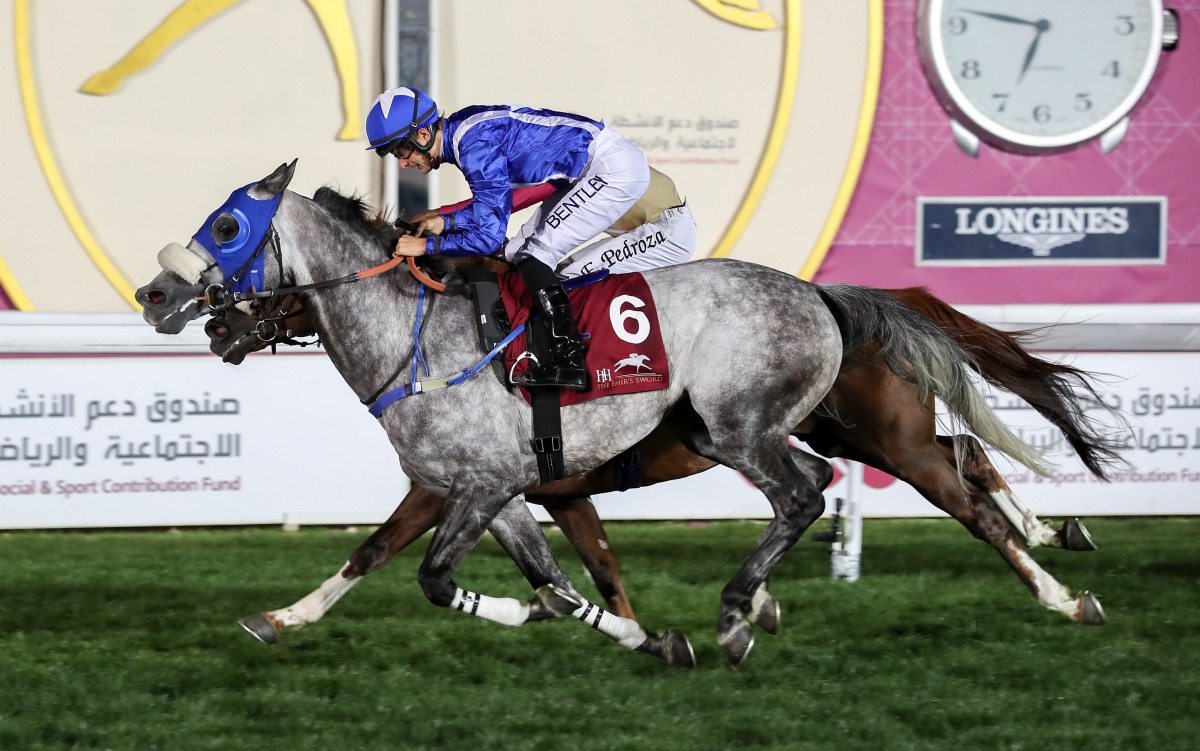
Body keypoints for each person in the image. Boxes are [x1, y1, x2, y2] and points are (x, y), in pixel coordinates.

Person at [364, 86, 696, 391]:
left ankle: (571, 363)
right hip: (589, 168)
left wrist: (427, 246)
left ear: (423, 134)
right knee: (517, 252)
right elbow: (491, 214)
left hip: (607, 169)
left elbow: (489, 234)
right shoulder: (465, 132)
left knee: (535, 257)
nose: (404, 163)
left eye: (401, 152)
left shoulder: (474, 146)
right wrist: (445, 221)